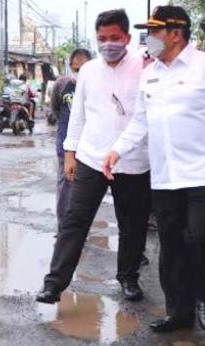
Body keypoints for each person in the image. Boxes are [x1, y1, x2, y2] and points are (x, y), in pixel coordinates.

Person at [36, 9, 151, 304]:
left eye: (115, 38)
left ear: (127, 37)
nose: (108, 44)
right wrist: (70, 154)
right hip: (91, 157)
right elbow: (78, 116)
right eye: (102, 38)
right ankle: (54, 284)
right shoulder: (88, 71)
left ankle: (128, 279)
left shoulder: (145, 67)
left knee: (133, 224)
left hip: (133, 160)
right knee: (75, 220)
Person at [104, 5, 205, 333]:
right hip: (164, 178)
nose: (150, 38)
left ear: (176, 34)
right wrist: (117, 150)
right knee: (171, 245)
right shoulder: (151, 74)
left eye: (155, 31)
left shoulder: (202, 67)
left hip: (200, 174)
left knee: (199, 240)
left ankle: (202, 301)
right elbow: (140, 122)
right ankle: (179, 311)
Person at [51, 48, 92, 231]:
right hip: (66, 147)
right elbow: (56, 110)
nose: (79, 74)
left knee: (87, 191)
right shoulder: (62, 85)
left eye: (83, 69)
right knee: (65, 189)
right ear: (70, 68)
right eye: (76, 69)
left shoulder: (96, 86)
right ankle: (64, 229)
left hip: (91, 148)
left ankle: (82, 228)